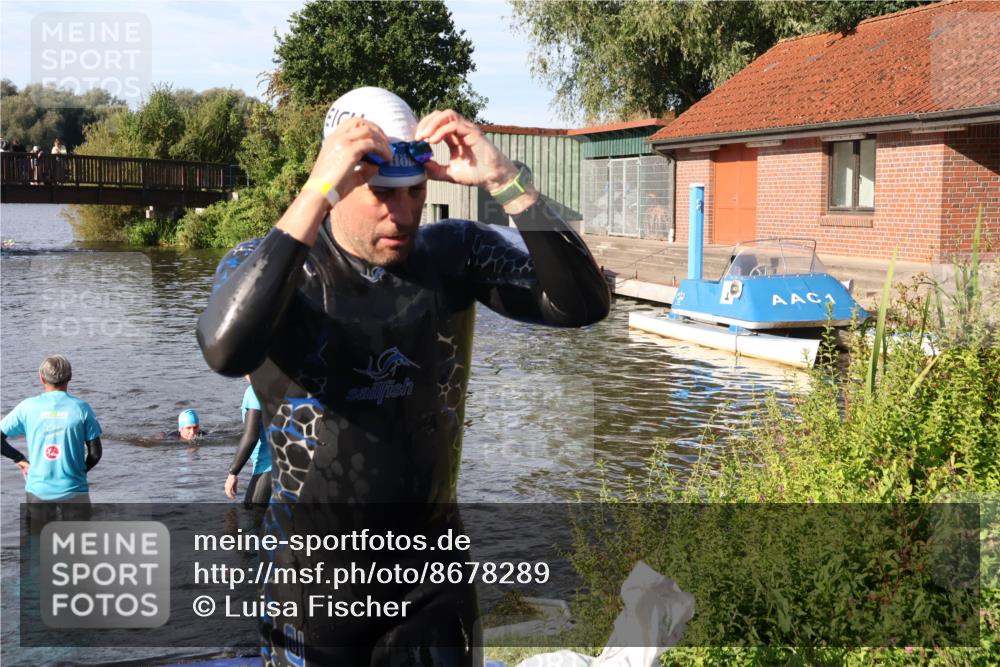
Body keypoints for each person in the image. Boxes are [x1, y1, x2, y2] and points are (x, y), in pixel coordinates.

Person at [197, 86, 610, 666]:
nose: (405, 213)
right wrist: (313, 193)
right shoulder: (274, 267)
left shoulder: (453, 254)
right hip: (313, 585)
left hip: (432, 577)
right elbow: (224, 349)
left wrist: (505, 181)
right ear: (336, 184)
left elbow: (583, 303)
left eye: (415, 191)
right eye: (382, 194)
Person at [0, 355, 102, 523]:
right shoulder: (81, 408)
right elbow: (95, 454)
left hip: (38, 490)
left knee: (38, 537)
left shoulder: (27, 407)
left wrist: (19, 458)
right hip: (74, 489)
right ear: (70, 377)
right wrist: (81, 471)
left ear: (41, 378)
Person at [224, 379, 272, 507]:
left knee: (253, 513)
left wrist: (233, 472)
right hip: (294, 464)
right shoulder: (286, 385)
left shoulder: (255, 391)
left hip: (268, 468)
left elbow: (251, 437)